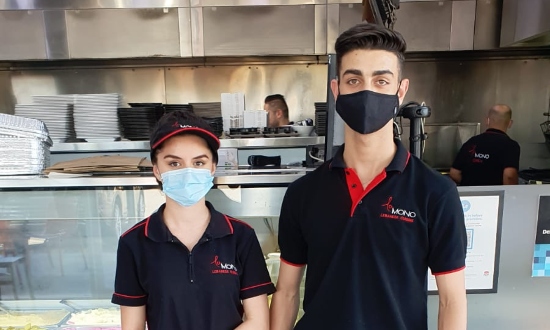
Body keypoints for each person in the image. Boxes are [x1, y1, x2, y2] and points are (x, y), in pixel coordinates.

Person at [270, 23, 467, 330]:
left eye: (381, 81)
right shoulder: (303, 193)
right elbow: (287, 292)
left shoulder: (435, 193)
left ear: (400, 91)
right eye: (354, 80)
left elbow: (451, 301)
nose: (367, 91)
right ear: (337, 90)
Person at [112, 111, 275, 330]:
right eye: (174, 164)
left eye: (198, 163)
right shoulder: (133, 243)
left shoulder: (241, 236)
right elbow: (133, 327)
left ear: (213, 169)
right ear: (157, 170)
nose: (188, 172)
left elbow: (258, 322)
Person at [450, 104, 520, 186]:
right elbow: (509, 176)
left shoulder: (472, 142)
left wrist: (470, 185)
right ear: (510, 123)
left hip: (469, 197)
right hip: (496, 197)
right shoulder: (511, 146)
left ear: (487, 121)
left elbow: (454, 173)